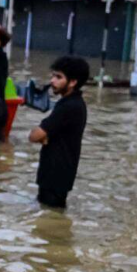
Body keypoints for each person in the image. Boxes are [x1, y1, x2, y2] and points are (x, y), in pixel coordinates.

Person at [29, 55, 89, 209]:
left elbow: (35, 135)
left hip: (55, 176)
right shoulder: (74, 103)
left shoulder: (68, 106)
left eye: (58, 77)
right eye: (53, 76)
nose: (52, 81)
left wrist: (43, 135)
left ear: (73, 82)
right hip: (59, 175)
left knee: (49, 219)